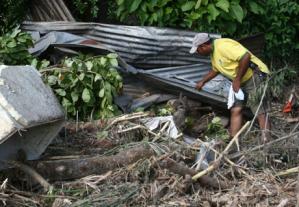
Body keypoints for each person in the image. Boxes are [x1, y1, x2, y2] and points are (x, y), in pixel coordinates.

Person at [190, 33, 270, 141]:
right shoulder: (213, 53)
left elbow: (246, 56)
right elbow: (215, 69)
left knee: (259, 110)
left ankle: (266, 140)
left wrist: (237, 79)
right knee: (236, 109)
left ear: (204, 46)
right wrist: (203, 81)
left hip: (254, 76)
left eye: (198, 50)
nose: (198, 53)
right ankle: (233, 140)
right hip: (240, 81)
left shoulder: (223, 46)